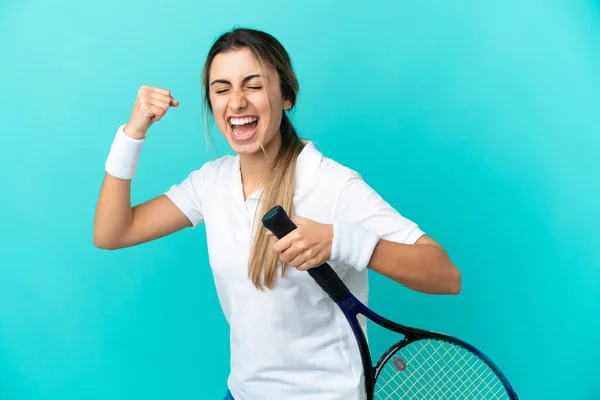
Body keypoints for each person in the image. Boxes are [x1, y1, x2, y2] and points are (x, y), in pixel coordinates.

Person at [94, 27, 461, 400]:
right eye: (222, 89)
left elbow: (445, 276)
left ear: (286, 95)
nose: (236, 103)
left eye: (253, 85)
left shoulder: (331, 184)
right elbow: (112, 232)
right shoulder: (211, 183)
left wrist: (339, 240)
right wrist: (132, 133)